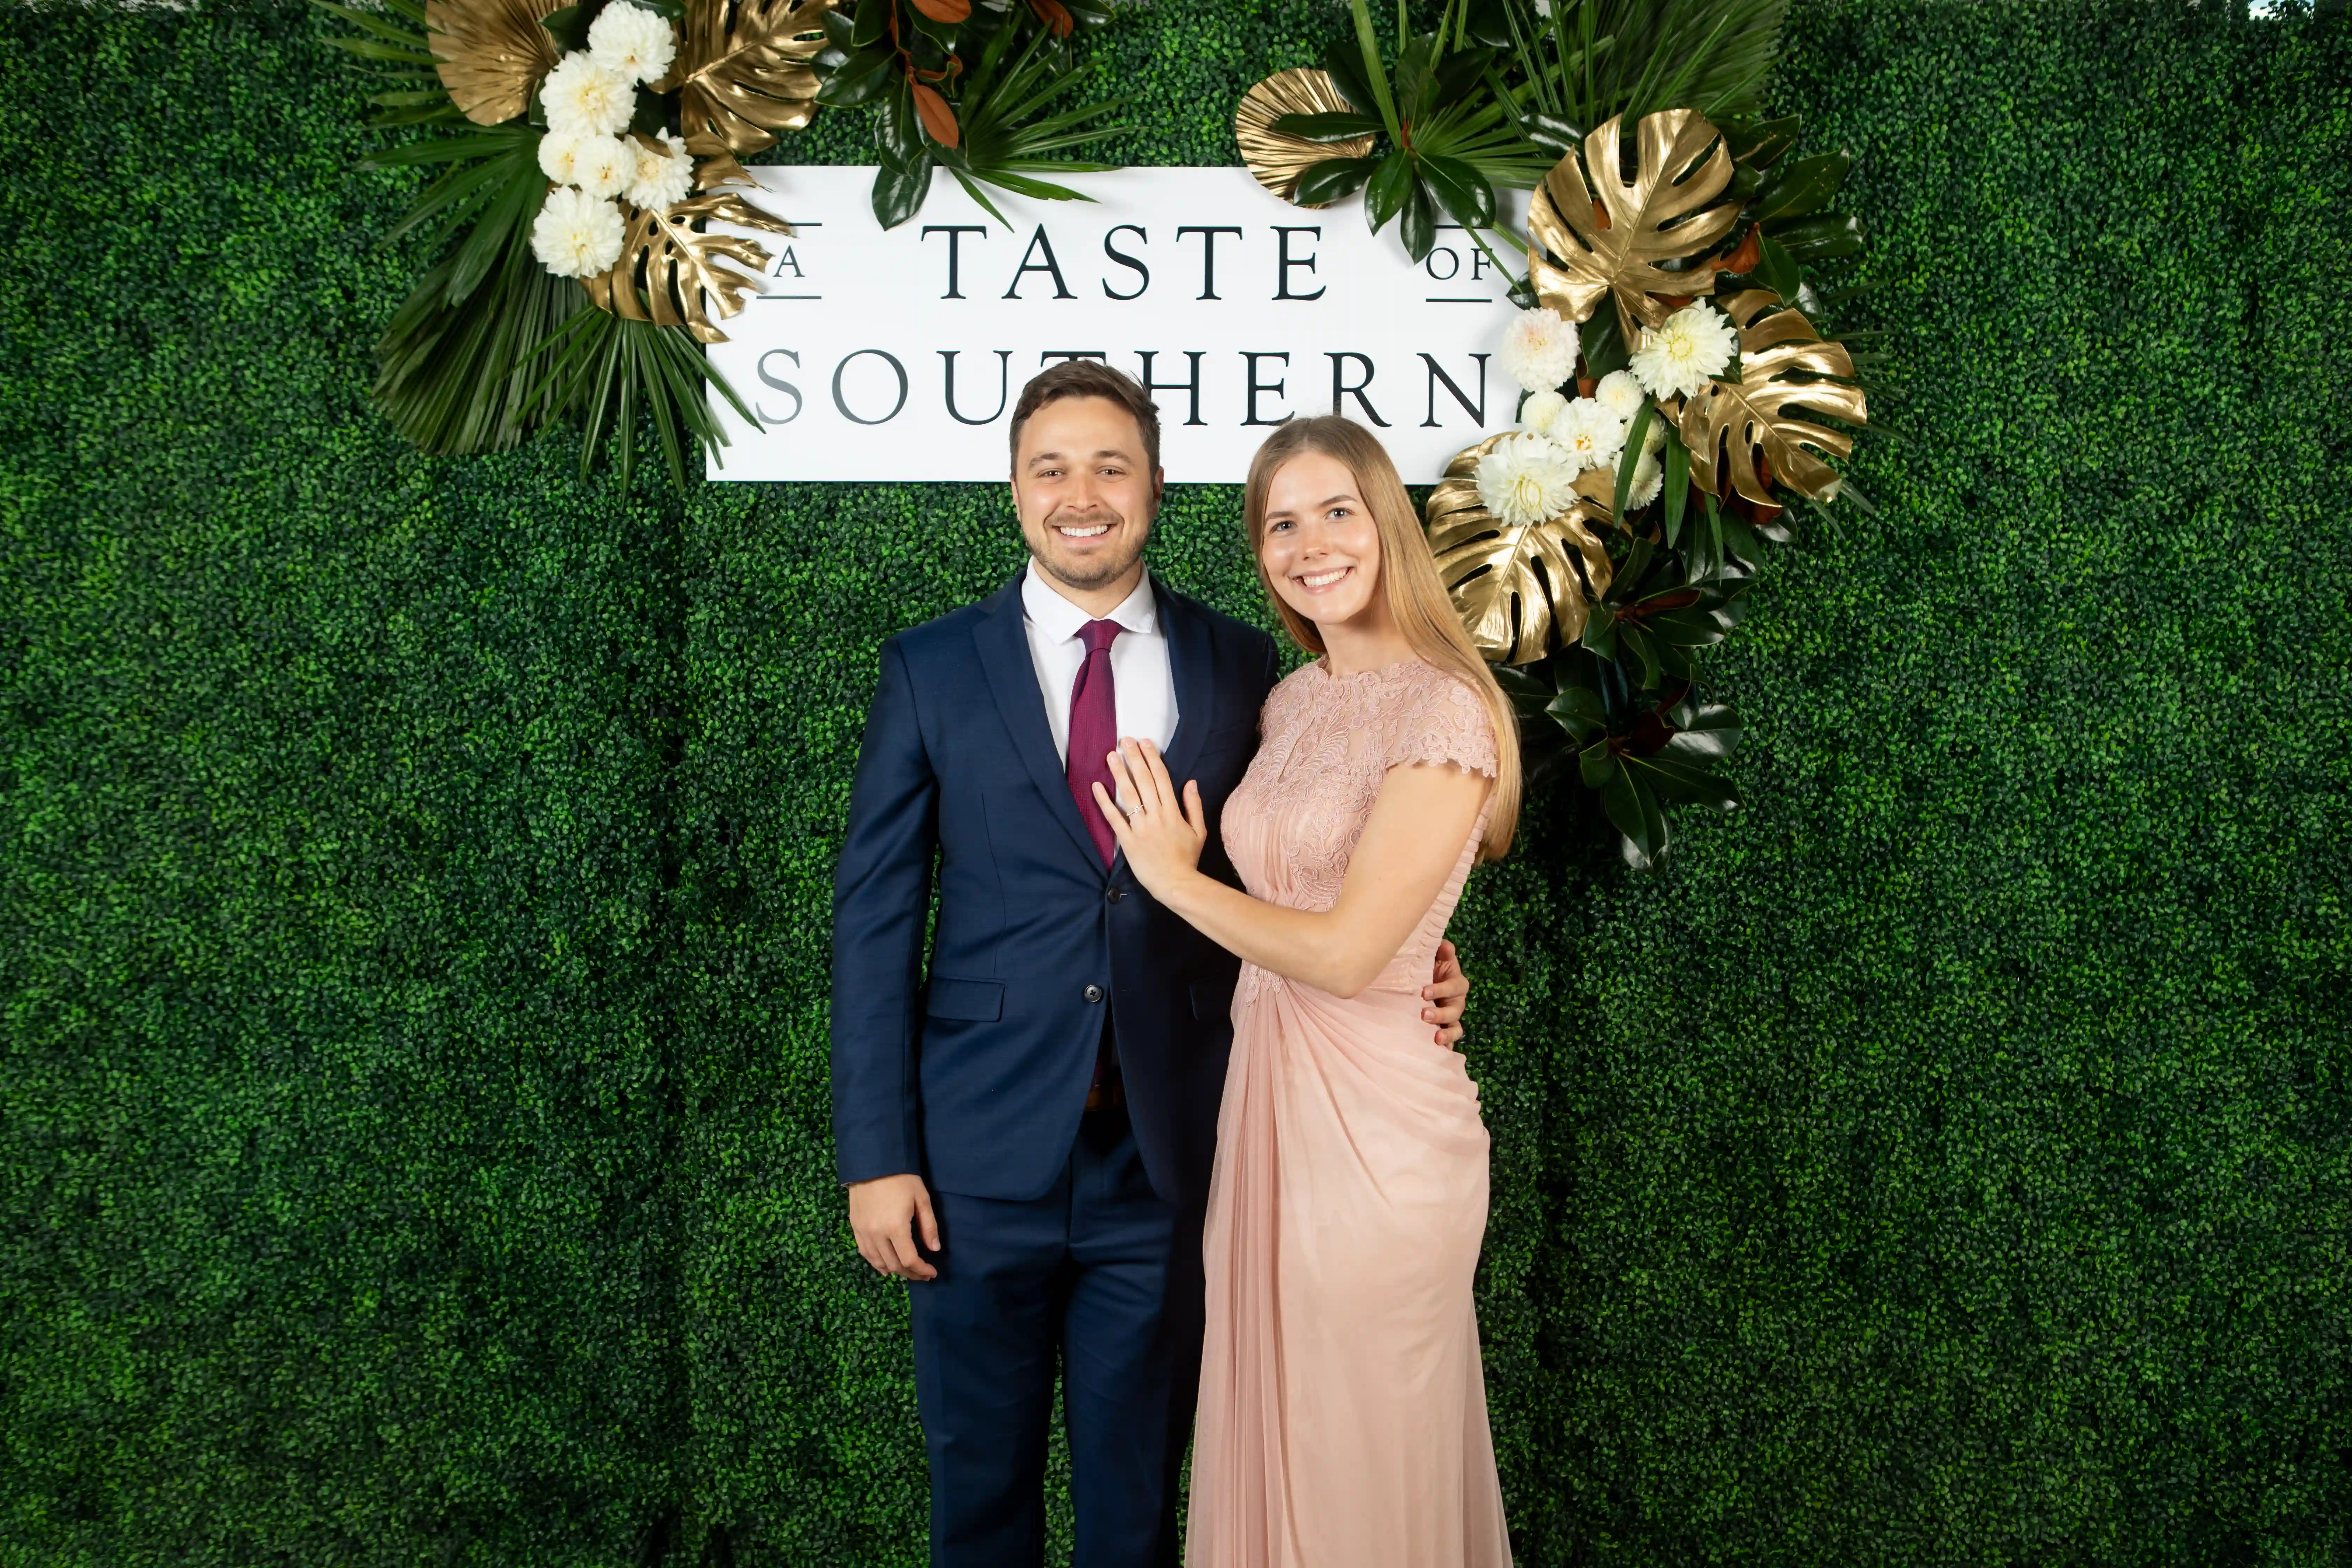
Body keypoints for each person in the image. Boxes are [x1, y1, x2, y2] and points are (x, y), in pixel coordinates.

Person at [829, 363, 1473, 1568]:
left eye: (1111, 466)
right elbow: (872, 919)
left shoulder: (1248, 671)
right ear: (1015, 492)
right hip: (975, 1162)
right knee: (978, 1502)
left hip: (1179, 1159)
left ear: (1157, 487)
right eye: (1051, 469)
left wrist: (1422, 955)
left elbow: (1326, 858)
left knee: (1139, 1511)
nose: (1082, 494)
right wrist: (879, 1156)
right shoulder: (929, 667)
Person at [1087, 415, 1520, 1568]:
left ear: (1390, 525)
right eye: (1281, 523)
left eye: (1338, 511)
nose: (1310, 543)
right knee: (1276, 1426)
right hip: (1266, 1106)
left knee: (1358, 1441)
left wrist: (1171, 877)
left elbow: (1341, 954)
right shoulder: (1291, 702)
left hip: (1379, 1137)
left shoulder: (1446, 709)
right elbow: (1315, 912)